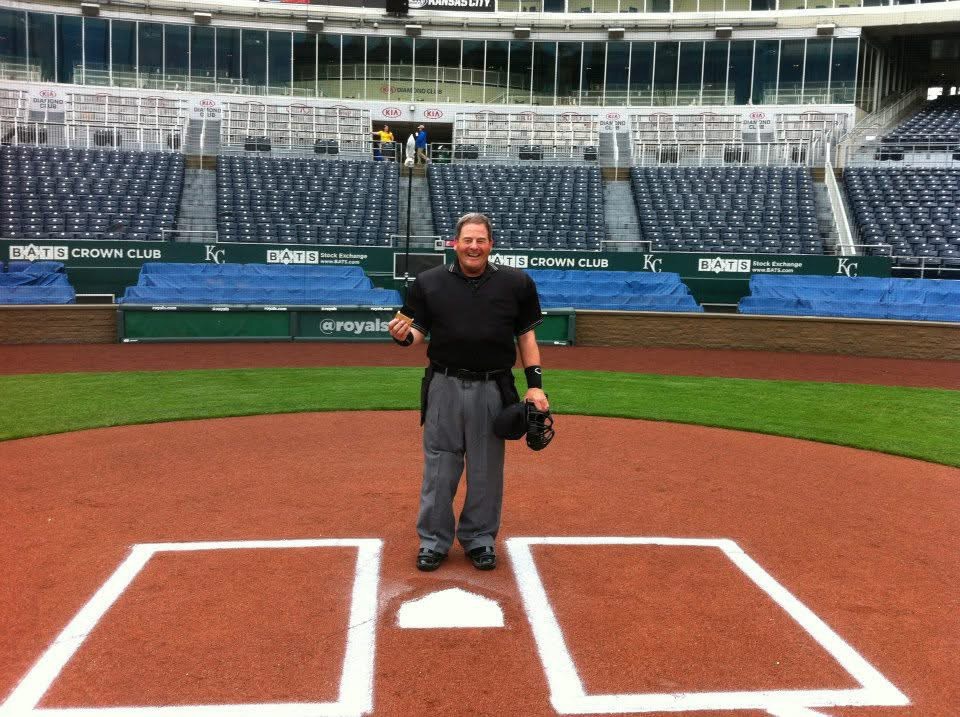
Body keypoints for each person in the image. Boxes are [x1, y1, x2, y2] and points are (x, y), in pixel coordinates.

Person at [388, 212, 549, 573]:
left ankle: (479, 539)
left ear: (491, 245)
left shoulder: (516, 283)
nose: (473, 246)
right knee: (440, 467)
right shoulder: (428, 283)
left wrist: (535, 387)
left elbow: (526, 337)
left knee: (486, 470)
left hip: (494, 386)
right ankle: (433, 541)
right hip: (444, 385)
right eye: (467, 240)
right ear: (455, 243)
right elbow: (417, 333)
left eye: (481, 240)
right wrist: (402, 337)